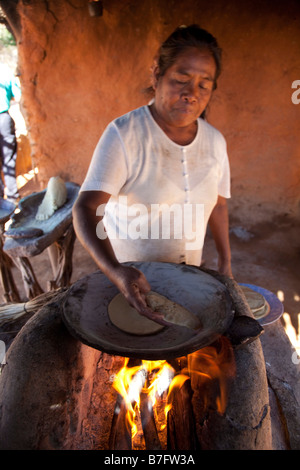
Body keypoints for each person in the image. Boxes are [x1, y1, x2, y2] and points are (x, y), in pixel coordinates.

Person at [73, 25, 232, 325]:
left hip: (189, 279)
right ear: (157, 74)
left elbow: (220, 205)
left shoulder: (215, 142)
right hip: (131, 283)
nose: (191, 94)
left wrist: (225, 262)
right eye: (181, 79)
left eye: (204, 85)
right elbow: (86, 208)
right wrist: (116, 271)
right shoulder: (124, 135)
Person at [0, 63, 21, 202]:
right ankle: (13, 197)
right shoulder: (4, 71)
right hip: (3, 119)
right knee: (8, 159)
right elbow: (18, 96)